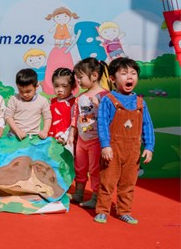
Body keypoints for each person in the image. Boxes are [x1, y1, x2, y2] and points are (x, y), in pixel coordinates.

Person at [94, 57, 154, 224]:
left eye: (133, 73)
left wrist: (149, 146)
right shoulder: (108, 100)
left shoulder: (140, 103)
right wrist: (105, 145)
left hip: (133, 151)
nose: (129, 77)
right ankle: (102, 210)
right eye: (124, 73)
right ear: (112, 79)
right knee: (107, 181)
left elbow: (147, 125)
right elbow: (102, 124)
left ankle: (124, 211)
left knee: (128, 183)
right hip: (112, 150)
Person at [67, 58, 109, 208]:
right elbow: (75, 117)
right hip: (82, 140)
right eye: (77, 78)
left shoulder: (105, 96)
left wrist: (99, 105)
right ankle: (79, 193)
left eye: (80, 77)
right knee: (80, 167)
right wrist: (72, 134)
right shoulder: (80, 98)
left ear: (94, 75)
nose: (78, 81)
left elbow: (110, 117)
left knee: (95, 169)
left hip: (97, 140)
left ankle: (96, 196)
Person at [5, 68, 51, 140]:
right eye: (21, 91)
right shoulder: (14, 99)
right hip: (14, 136)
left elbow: (47, 117)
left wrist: (45, 130)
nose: (24, 94)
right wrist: (17, 131)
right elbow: (8, 116)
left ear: (36, 86)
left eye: (28, 91)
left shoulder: (42, 101)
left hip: (33, 136)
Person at [47, 67, 76, 144]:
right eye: (56, 86)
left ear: (72, 86)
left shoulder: (74, 102)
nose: (60, 89)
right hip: (51, 139)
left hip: (66, 141)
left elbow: (74, 123)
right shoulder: (52, 101)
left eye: (64, 86)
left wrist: (65, 137)